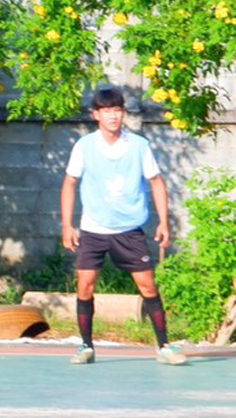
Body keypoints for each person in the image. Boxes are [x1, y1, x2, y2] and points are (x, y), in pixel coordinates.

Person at [61, 86, 185, 366]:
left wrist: (164, 221)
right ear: (96, 115)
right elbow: (69, 183)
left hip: (129, 231)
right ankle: (85, 346)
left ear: (123, 114)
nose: (114, 116)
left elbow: (156, 182)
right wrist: (67, 225)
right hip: (93, 230)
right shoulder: (84, 146)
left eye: (118, 111)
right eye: (107, 111)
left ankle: (164, 346)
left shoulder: (138, 146)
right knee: (85, 287)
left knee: (148, 287)